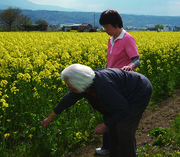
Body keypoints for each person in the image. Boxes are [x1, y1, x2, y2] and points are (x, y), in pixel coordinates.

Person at [42, 64, 152, 157]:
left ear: (81, 84)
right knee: (113, 127)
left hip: (138, 91)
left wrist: (105, 125)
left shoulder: (103, 86)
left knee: (123, 128)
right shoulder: (86, 83)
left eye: (73, 88)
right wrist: (51, 116)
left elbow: (123, 109)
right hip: (122, 96)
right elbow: (69, 98)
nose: (72, 91)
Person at [97, 9, 141, 155]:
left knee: (121, 119)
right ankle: (108, 148)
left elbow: (137, 60)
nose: (105, 30)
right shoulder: (111, 40)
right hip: (109, 82)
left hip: (122, 83)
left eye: (107, 26)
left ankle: (121, 149)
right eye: (103, 27)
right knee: (107, 112)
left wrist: (130, 66)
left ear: (116, 24)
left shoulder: (127, 38)